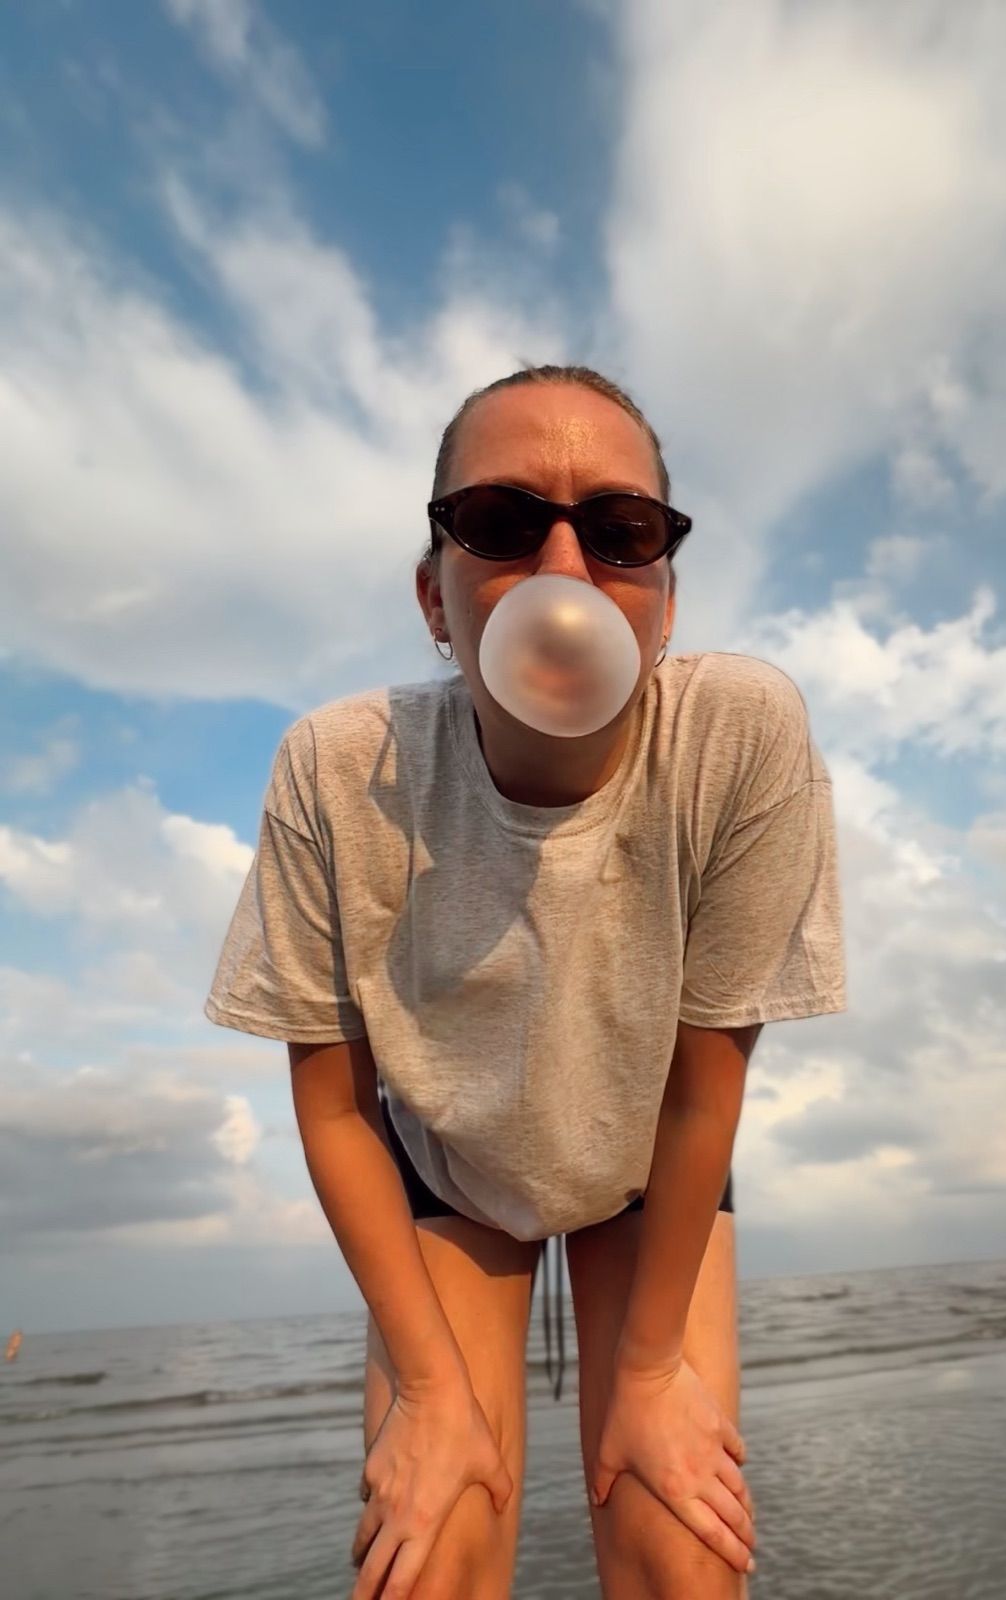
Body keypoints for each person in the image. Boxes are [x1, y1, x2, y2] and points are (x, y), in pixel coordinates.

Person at [204, 364, 846, 1600]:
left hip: (646, 1154)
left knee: (679, 1543)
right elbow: (333, 1106)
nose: (564, 568)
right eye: (500, 521)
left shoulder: (739, 733)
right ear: (433, 595)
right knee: (432, 1543)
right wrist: (429, 1392)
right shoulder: (336, 768)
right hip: (444, 1159)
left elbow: (705, 1086)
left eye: (620, 530)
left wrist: (648, 1374)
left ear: (663, 599)